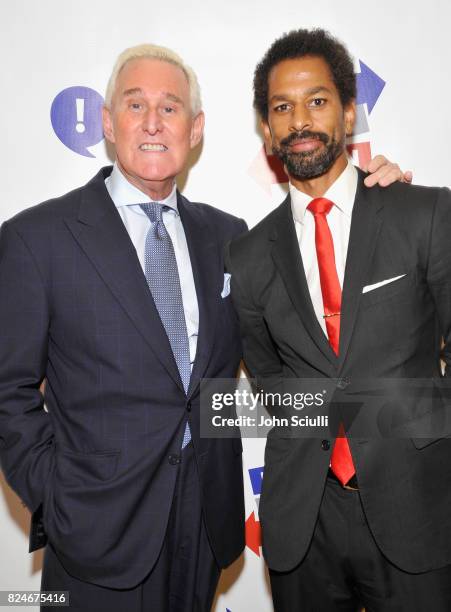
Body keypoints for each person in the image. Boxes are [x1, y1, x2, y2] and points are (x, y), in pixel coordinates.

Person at [0, 42, 407, 611]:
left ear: (195, 131)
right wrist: (55, 491)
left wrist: (373, 206)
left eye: (169, 108)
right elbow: (7, 392)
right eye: (135, 104)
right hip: (92, 531)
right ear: (107, 122)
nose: (152, 122)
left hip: (204, 524)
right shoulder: (36, 238)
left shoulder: (230, 238)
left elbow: (295, 348)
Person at [226, 28, 451, 612]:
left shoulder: (421, 214)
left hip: (418, 506)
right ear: (268, 129)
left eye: (318, 101)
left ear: (349, 115)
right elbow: (272, 381)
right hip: (304, 519)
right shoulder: (249, 256)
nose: (300, 120)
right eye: (282, 107)